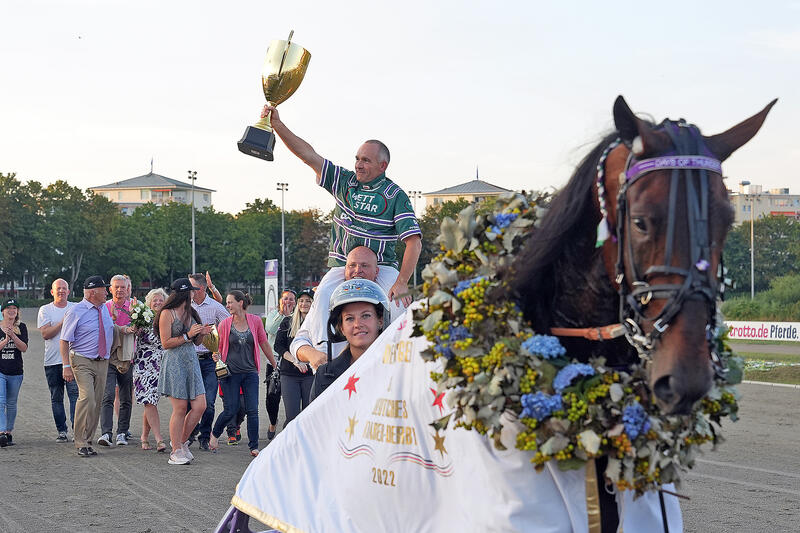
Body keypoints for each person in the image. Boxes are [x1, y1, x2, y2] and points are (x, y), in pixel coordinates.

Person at [262, 105, 422, 304]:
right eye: (357, 159)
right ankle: (316, 337)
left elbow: (414, 242)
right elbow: (308, 156)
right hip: (342, 266)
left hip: (382, 267)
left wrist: (402, 282)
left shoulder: (396, 195)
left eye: (365, 160)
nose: (358, 164)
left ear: (383, 166)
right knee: (320, 300)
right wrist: (277, 125)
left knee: (398, 305)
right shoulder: (344, 181)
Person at [291, 246, 402, 370]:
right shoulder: (328, 302)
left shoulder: (387, 305)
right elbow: (299, 342)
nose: (358, 270)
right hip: (335, 379)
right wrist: (313, 355)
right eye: (352, 265)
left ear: (376, 271)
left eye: (364, 265)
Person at [209, 291, 277, 456]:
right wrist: (216, 355)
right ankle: (215, 433)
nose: (228, 305)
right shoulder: (225, 324)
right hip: (230, 374)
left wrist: (274, 364)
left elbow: (264, 343)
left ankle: (254, 446)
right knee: (231, 409)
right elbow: (219, 347)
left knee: (253, 410)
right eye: (227, 302)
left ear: (240, 303)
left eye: (230, 302)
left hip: (250, 373)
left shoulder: (255, 321)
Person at [156, 278, 211, 465]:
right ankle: (176, 451)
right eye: (192, 291)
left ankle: (181, 442)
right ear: (184, 293)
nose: (195, 293)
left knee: (200, 406)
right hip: (175, 362)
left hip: (191, 361)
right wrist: (188, 335)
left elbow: (196, 343)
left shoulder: (191, 312)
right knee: (180, 408)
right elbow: (166, 343)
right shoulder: (167, 313)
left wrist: (201, 333)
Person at [60, 276, 115, 457]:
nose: (107, 292)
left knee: (97, 402)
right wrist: (66, 366)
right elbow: (64, 340)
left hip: (102, 361)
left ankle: (88, 440)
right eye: (104, 289)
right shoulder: (76, 311)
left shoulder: (104, 310)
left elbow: (109, 331)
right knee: (87, 398)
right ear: (93, 292)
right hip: (82, 360)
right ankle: (80, 441)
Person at [309, 279, 389, 402]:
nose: (357, 324)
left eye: (366, 315)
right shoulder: (325, 374)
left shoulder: (401, 369)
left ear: (380, 321)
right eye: (350, 318)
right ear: (341, 328)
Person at [188, 273, 229, 451]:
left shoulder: (215, 307)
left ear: (202, 288)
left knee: (209, 402)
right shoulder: (185, 306)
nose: (188, 290)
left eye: (192, 287)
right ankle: (189, 433)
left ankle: (205, 436)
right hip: (190, 359)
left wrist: (220, 349)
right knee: (190, 400)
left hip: (210, 361)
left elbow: (229, 325)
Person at [37, 279, 78, 442]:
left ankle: (78, 429)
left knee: (75, 396)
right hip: (52, 361)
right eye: (58, 289)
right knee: (56, 397)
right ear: (52, 292)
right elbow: (46, 334)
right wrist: (64, 321)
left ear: (69, 292)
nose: (61, 291)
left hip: (73, 359)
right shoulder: (45, 310)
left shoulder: (75, 307)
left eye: (64, 288)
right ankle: (62, 430)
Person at [98, 274, 135, 447]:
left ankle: (122, 433)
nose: (119, 290)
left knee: (126, 397)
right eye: (116, 287)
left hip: (127, 357)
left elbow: (140, 331)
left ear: (128, 289)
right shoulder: (103, 308)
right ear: (110, 289)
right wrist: (112, 321)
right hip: (109, 357)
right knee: (108, 395)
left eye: (123, 287)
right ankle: (106, 433)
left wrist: (136, 327)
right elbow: (99, 331)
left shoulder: (135, 309)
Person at [134, 288, 168, 452]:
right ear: (149, 302)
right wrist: (135, 329)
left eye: (161, 300)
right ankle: (159, 439)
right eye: (155, 300)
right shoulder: (142, 318)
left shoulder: (168, 318)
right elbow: (131, 334)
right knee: (149, 400)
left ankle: (144, 436)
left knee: (151, 402)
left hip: (160, 366)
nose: (158, 302)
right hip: (142, 365)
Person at [274, 289, 314, 426]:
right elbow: (278, 346)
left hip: (310, 375)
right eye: (301, 300)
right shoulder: (288, 322)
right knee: (292, 417)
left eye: (308, 301)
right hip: (289, 374)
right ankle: (289, 445)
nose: (304, 303)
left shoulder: (318, 324)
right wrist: (295, 361)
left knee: (309, 415)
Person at [262, 288, 296, 439]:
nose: (287, 301)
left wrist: (290, 317)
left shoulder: (298, 317)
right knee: (272, 397)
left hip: (292, 361)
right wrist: (283, 315)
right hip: (274, 361)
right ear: (280, 301)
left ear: (295, 303)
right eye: (285, 298)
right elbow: (270, 329)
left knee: (292, 397)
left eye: (291, 299)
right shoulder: (273, 315)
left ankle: (292, 426)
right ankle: (272, 422)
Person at [0, 298, 28, 447]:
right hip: (0, 370)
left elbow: (23, 348)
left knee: (11, 403)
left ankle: (9, 432)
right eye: (8, 308)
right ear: (2, 311)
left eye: (14, 308)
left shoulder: (21, 327)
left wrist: (14, 336)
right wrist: (5, 340)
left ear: (17, 312)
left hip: (16, 371)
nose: (11, 311)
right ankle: (2, 431)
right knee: (0, 401)